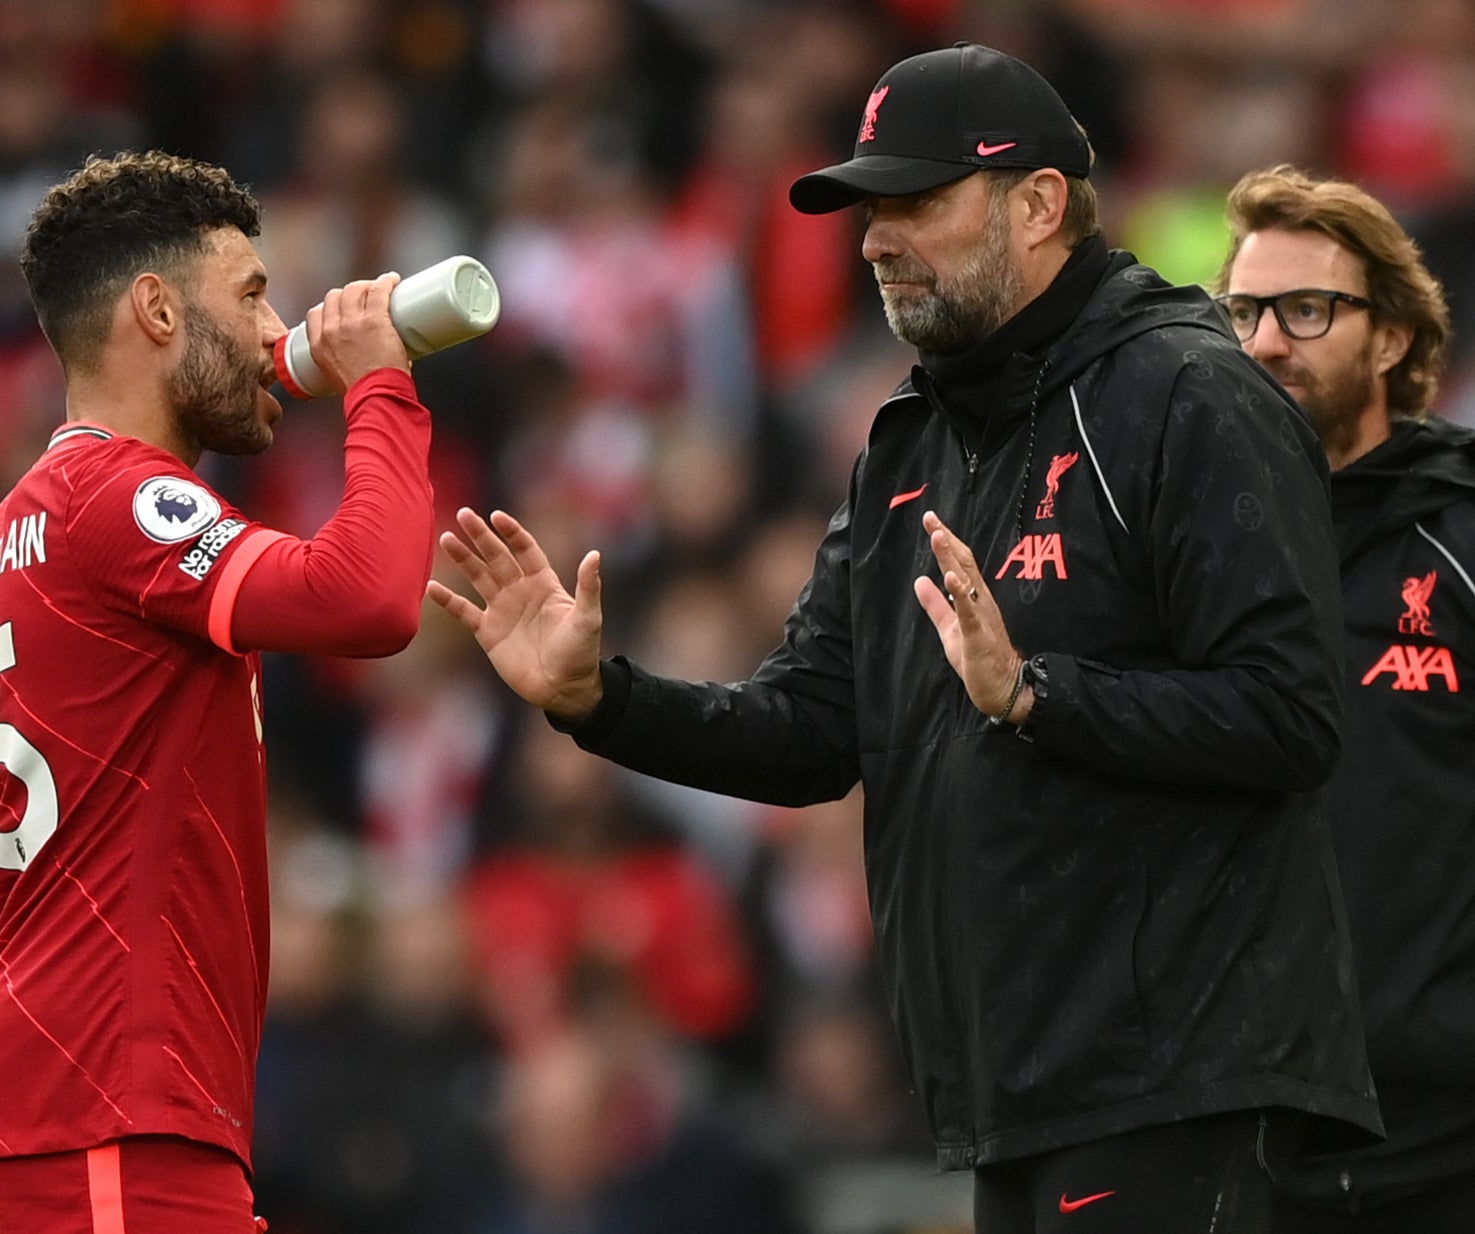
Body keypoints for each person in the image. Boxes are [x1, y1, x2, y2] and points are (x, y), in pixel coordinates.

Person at [427, 43, 1382, 1234]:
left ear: (1037, 205)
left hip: (1182, 1069)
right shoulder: (906, 443)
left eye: (914, 202)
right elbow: (814, 730)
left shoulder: (1189, 394)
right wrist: (597, 700)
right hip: (1020, 1080)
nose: (874, 238)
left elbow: (1291, 716)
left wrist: (1036, 693)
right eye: (867, 210)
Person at [0, 150, 438, 1233]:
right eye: (253, 293)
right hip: (106, 1088)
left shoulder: (38, 511)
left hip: (86, 1085)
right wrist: (382, 387)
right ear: (157, 309)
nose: (277, 332)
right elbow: (368, 601)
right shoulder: (113, 498)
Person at [1218, 165, 1475, 1233]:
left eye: (1306, 310)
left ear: (1393, 339)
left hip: (1442, 1148)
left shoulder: (1458, 538)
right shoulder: (1187, 543)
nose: (1267, 342)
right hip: (1235, 1142)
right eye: (1243, 313)